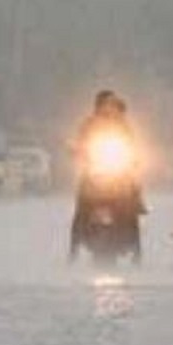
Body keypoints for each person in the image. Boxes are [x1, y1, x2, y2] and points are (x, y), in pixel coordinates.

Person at [69, 90, 143, 262]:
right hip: (94, 171)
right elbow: (79, 142)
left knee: (132, 202)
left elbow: (132, 145)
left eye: (112, 104)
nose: (108, 108)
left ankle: (136, 248)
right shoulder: (89, 123)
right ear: (98, 105)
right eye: (105, 104)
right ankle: (73, 248)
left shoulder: (123, 124)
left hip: (119, 173)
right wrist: (78, 151)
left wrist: (134, 157)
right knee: (81, 205)